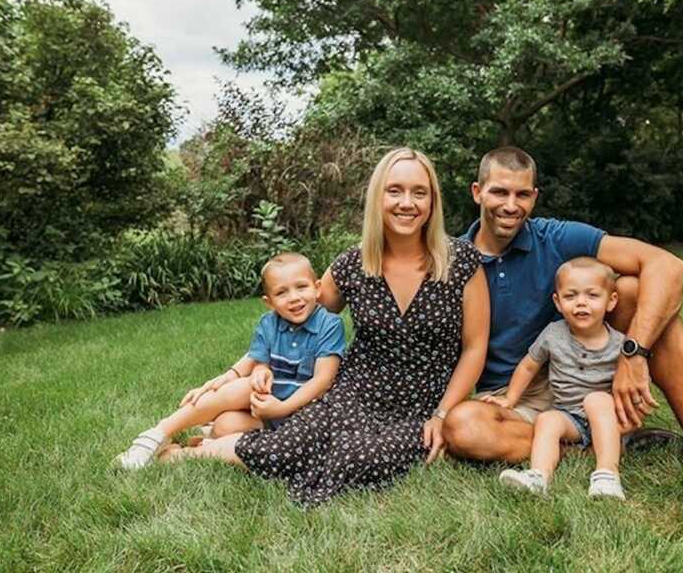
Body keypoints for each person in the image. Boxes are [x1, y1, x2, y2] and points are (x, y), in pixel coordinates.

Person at [442, 146, 683, 504]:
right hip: (510, 398)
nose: (511, 205)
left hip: (579, 375)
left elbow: (669, 267)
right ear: (477, 192)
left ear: (535, 197)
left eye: (522, 194)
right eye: (500, 192)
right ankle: (599, 446)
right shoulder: (454, 259)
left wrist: (633, 356)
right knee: (464, 428)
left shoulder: (554, 237)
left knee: (634, 291)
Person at [156, 147, 490, 506]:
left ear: (432, 201)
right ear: (378, 196)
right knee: (288, 447)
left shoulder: (461, 260)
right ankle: (186, 453)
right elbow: (295, 316)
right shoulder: (354, 262)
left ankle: (216, 441)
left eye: (418, 192)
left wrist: (442, 413)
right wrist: (234, 372)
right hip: (353, 393)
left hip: (419, 406)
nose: (406, 202)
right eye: (394, 190)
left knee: (362, 460)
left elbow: (474, 347)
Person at [113, 252, 345, 470]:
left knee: (239, 404)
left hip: (304, 413)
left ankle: (181, 445)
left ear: (317, 289)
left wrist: (281, 408)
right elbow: (258, 360)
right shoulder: (269, 323)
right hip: (267, 411)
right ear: (269, 302)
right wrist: (258, 371)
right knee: (226, 421)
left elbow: (323, 380)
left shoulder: (329, 325)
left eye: (301, 287)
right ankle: (159, 435)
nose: (294, 298)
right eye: (281, 293)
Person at [495, 257, 630, 499]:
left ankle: (607, 475)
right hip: (570, 418)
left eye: (592, 295)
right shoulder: (553, 334)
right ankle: (539, 476)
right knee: (547, 419)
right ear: (557, 302)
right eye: (570, 296)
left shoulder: (619, 343)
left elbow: (631, 382)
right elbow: (528, 366)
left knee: (597, 399)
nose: (581, 303)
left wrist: (629, 416)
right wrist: (510, 399)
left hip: (605, 418)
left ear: (611, 301)